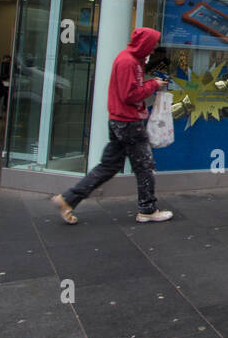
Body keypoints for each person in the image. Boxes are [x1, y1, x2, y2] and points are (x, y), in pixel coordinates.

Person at [51, 27, 173, 224]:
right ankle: (148, 209)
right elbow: (130, 94)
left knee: (109, 166)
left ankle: (68, 199)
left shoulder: (129, 59)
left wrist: (150, 83)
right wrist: (153, 86)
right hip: (129, 122)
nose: (153, 50)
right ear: (144, 44)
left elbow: (129, 89)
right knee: (145, 166)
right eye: (152, 45)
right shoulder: (128, 62)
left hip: (120, 121)